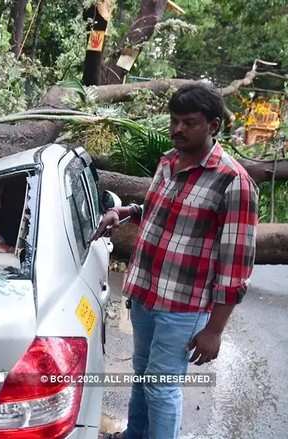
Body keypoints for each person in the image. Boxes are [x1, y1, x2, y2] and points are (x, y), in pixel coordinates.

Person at [96, 83, 258, 439]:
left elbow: (236, 266)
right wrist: (125, 211)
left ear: (213, 126)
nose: (178, 129)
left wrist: (214, 330)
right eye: (174, 121)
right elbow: (159, 212)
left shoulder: (234, 182)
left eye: (189, 122)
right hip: (145, 295)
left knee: (161, 386)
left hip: (183, 308)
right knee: (143, 374)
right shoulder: (168, 162)